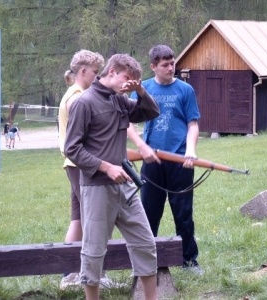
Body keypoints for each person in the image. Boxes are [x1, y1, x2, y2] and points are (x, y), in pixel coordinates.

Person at [64, 53, 160, 300]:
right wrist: (106, 167)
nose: (128, 84)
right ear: (112, 71)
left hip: (126, 187)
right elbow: (71, 148)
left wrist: (139, 90)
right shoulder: (84, 103)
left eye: (134, 80)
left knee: (146, 244)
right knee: (94, 251)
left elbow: (150, 112)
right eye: (127, 78)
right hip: (97, 188)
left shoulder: (121, 101)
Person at [128, 44, 202, 274]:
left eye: (173, 63)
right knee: (148, 214)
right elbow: (126, 122)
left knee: (183, 214)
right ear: (153, 67)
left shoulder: (185, 90)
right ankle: (145, 263)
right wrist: (141, 146)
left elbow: (193, 124)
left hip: (181, 161)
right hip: (151, 162)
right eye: (165, 65)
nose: (171, 68)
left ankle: (189, 262)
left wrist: (190, 150)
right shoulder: (143, 89)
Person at [58, 49, 106, 289]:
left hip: (74, 165)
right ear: (83, 71)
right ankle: (91, 273)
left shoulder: (74, 93)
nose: (97, 78)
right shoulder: (78, 98)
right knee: (92, 220)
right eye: (96, 73)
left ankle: (68, 272)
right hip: (81, 165)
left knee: (77, 219)